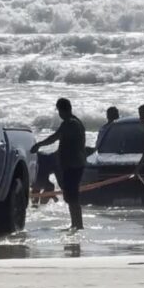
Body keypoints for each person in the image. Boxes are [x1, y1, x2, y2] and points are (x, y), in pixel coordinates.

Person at [31, 98, 86, 230]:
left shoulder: (70, 123)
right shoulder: (76, 122)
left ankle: (77, 225)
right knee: (71, 196)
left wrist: (39, 144)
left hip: (73, 165)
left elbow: (55, 137)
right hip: (75, 163)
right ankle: (76, 224)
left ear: (61, 110)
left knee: (72, 196)